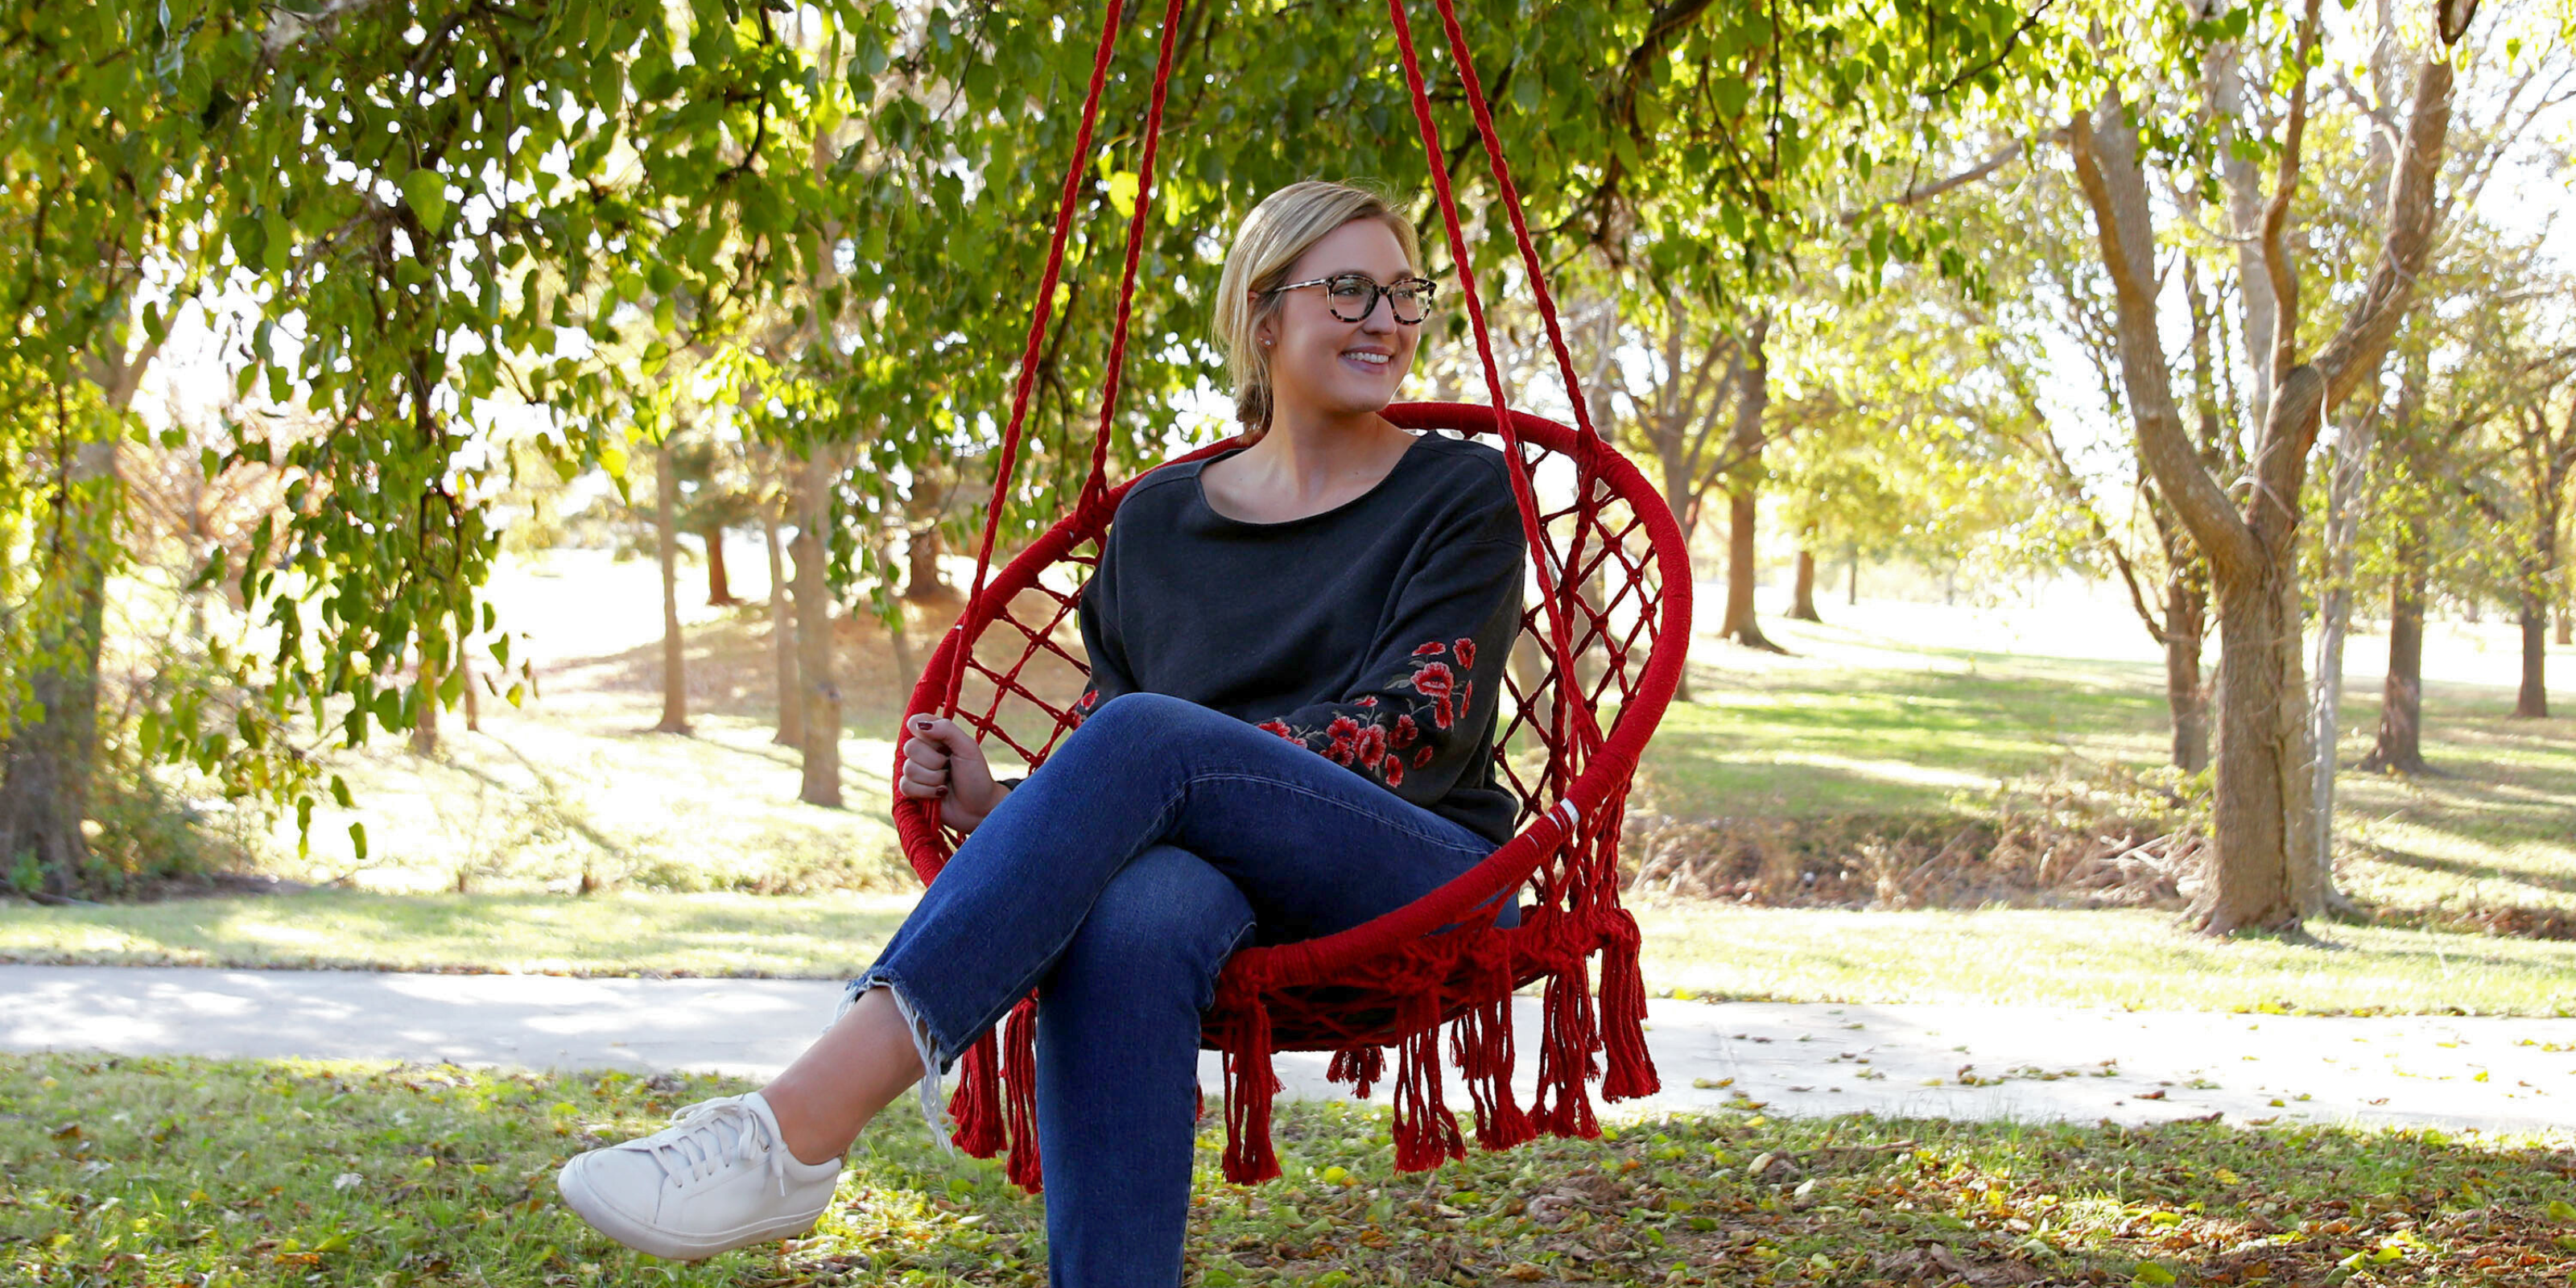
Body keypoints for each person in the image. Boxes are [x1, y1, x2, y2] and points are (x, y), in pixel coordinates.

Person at [555, 180, 1528, 1286]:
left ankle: (796, 1128)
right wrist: (1008, 808)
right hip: (1218, 871)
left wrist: (1169, 760)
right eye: (1348, 287)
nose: (1387, 319)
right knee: (1132, 911)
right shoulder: (1158, 523)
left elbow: (1410, 727)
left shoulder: (1461, 492)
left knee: (1159, 740)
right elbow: (1131, 754)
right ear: (1263, 316)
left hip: (1419, 867)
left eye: (1406, 292)